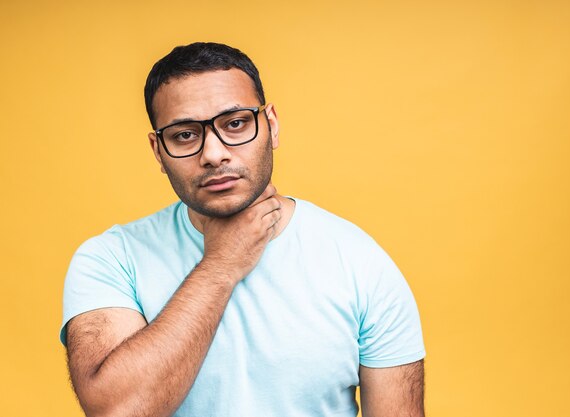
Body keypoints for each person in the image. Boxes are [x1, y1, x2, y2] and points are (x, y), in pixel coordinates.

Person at [61, 42, 426, 417]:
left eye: (235, 124)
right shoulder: (110, 259)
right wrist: (220, 266)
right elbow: (116, 411)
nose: (214, 154)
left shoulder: (359, 262)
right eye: (185, 135)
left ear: (272, 125)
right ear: (158, 151)